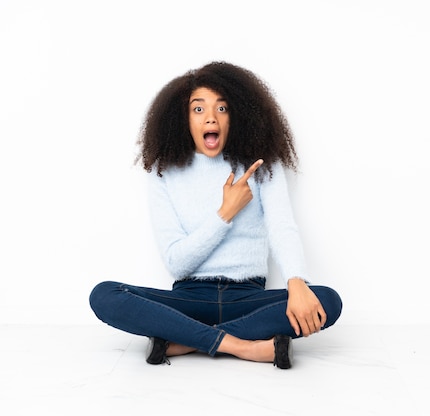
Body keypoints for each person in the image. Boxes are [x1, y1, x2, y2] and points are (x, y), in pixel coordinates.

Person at [89, 61, 343, 369]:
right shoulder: (163, 172)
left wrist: (297, 283)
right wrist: (226, 213)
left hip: (248, 299)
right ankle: (242, 347)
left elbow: (282, 226)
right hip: (189, 301)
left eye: (222, 109)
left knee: (327, 300)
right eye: (199, 109)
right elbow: (176, 262)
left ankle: (184, 341)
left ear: (237, 114)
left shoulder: (262, 164)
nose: (211, 117)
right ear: (182, 118)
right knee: (104, 295)